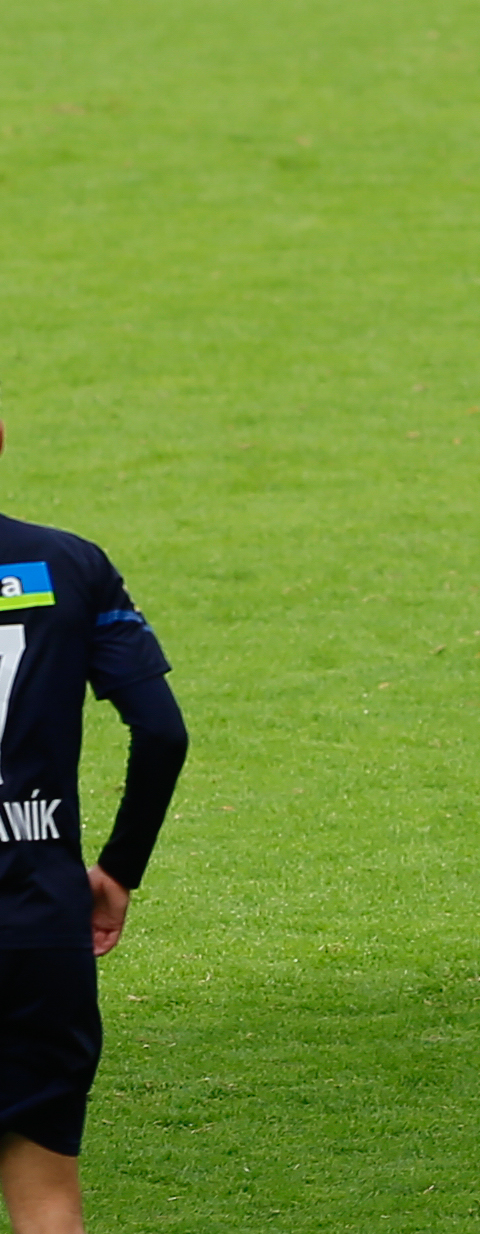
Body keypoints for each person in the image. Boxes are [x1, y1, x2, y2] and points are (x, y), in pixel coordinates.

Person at [0, 418, 190, 1234]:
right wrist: (118, 868)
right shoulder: (70, 565)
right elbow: (162, 731)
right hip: (39, 929)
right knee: (48, 1203)